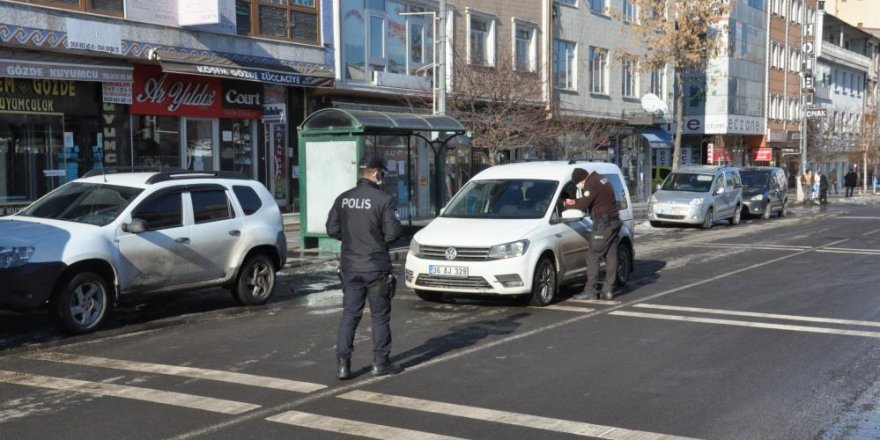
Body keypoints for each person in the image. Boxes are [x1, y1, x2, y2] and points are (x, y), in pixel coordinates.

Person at [326, 152, 403, 380]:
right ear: (376, 173)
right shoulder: (383, 200)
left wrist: (351, 240)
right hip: (375, 266)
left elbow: (332, 229)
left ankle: (343, 365)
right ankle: (380, 363)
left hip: (350, 265)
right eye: (382, 173)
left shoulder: (344, 198)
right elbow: (393, 233)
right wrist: (375, 242)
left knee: (350, 314)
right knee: (379, 316)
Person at [564, 168, 621, 300]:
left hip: (603, 223)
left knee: (593, 255)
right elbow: (589, 199)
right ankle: (607, 290)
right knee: (611, 255)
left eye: (578, 184)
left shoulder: (591, 183)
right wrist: (575, 202)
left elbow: (584, 205)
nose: (580, 186)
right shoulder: (600, 178)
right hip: (613, 221)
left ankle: (590, 290)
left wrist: (567, 205)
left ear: (581, 179)